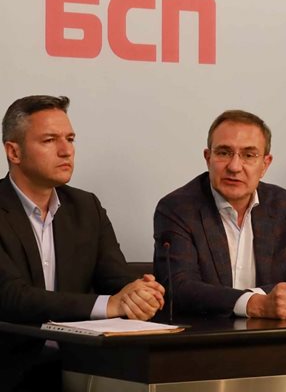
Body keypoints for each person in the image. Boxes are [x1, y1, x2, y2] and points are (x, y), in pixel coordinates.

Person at [0, 95, 165, 391]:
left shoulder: (86, 207)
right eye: (49, 140)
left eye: (70, 139)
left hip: (81, 364)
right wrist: (110, 304)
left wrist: (140, 292)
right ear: (14, 151)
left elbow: (115, 279)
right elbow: (12, 297)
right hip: (10, 368)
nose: (66, 151)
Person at [153, 110, 286, 319]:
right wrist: (253, 303)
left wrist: (266, 299)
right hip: (204, 335)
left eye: (249, 155)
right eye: (224, 153)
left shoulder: (281, 204)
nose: (234, 167)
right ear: (208, 158)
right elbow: (180, 288)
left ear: (265, 164)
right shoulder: (178, 208)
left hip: (270, 334)